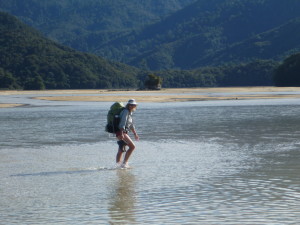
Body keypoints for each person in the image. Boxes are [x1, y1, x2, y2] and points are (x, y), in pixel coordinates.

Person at [115, 99, 139, 168]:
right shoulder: (125, 111)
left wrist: (135, 134)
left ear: (135, 106)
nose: (132, 106)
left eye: (133, 105)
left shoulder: (129, 112)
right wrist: (122, 133)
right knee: (132, 147)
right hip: (121, 131)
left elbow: (131, 125)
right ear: (128, 105)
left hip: (122, 132)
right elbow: (122, 122)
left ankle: (119, 165)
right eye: (130, 105)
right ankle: (124, 163)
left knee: (121, 149)